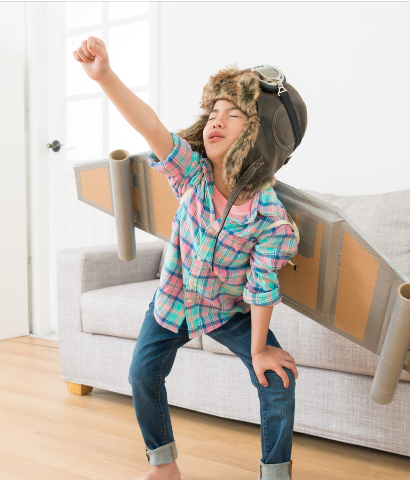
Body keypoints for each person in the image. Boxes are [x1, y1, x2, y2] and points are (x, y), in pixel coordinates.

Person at [73, 35, 305, 480]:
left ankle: (275, 474)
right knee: (142, 375)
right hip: (175, 301)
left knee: (277, 381)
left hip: (227, 310)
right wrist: (104, 76)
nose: (216, 121)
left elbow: (262, 288)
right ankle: (164, 467)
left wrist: (259, 352)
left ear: (257, 135)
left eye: (233, 114)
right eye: (213, 112)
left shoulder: (271, 217)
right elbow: (152, 127)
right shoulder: (191, 176)